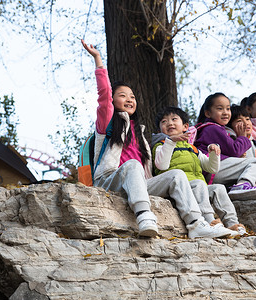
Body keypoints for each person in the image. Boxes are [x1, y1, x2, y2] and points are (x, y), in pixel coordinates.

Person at [81, 40, 234, 239]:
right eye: (122, 95)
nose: (129, 99)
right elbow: (104, 94)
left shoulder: (140, 134)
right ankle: (144, 216)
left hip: (140, 182)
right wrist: (98, 59)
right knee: (133, 164)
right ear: (112, 100)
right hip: (110, 179)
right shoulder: (107, 125)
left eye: (133, 96)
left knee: (177, 174)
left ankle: (196, 224)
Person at [151, 106, 246, 235]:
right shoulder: (161, 145)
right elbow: (161, 165)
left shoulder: (192, 148)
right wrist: (170, 143)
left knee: (218, 188)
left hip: (198, 188)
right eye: (164, 122)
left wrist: (213, 153)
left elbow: (212, 168)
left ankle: (232, 223)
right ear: (160, 129)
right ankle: (209, 221)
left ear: (185, 126)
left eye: (174, 119)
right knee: (199, 184)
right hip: (179, 188)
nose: (170, 123)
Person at [193, 92, 256, 200]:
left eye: (228, 109)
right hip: (212, 169)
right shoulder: (212, 128)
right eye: (220, 109)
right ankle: (243, 185)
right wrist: (243, 137)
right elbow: (235, 151)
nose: (225, 112)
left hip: (217, 169)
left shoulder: (216, 128)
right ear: (208, 113)